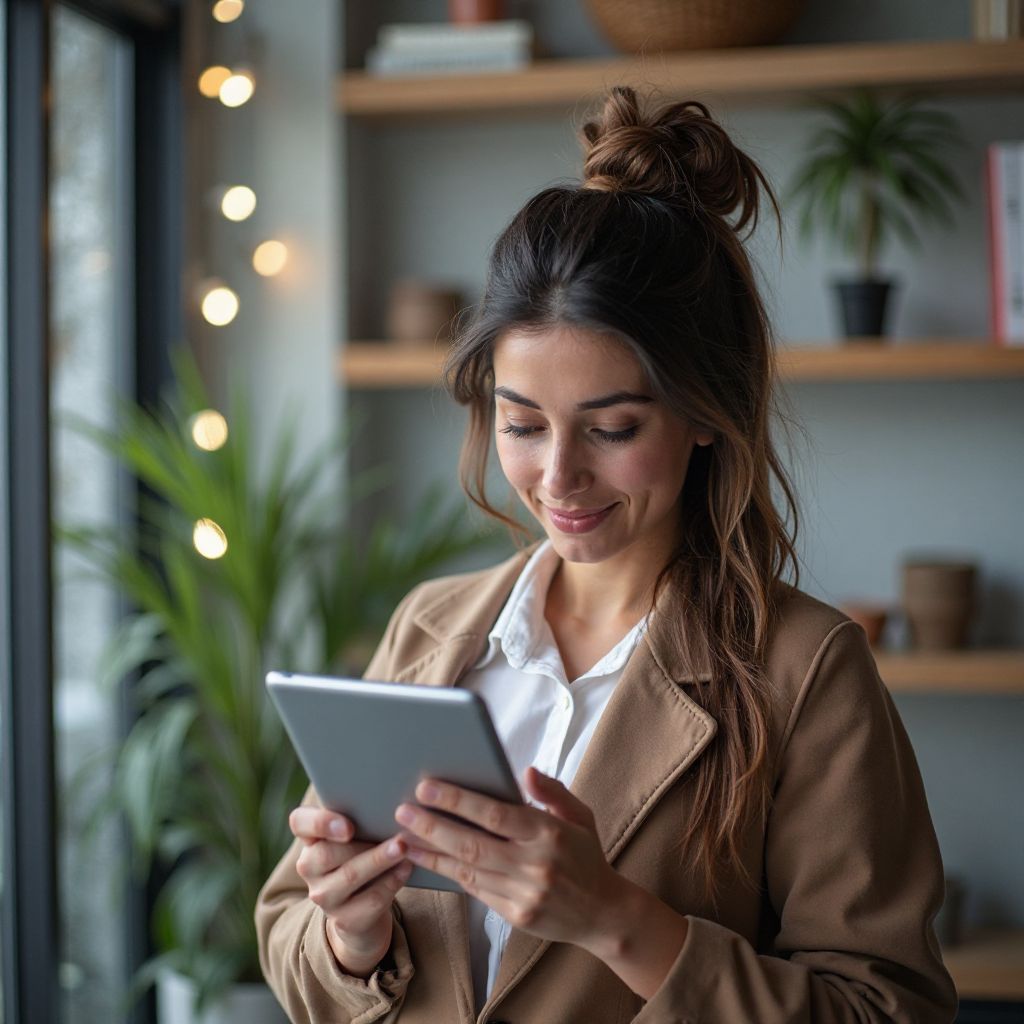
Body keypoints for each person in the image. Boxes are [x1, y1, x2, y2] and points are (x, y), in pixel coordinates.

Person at [255, 86, 957, 1023]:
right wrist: (350, 938)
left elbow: (886, 1009)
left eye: (613, 427)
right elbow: (286, 924)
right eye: (521, 424)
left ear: (707, 413)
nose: (558, 477)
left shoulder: (806, 673)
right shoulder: (432, 627)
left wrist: (619, 921)